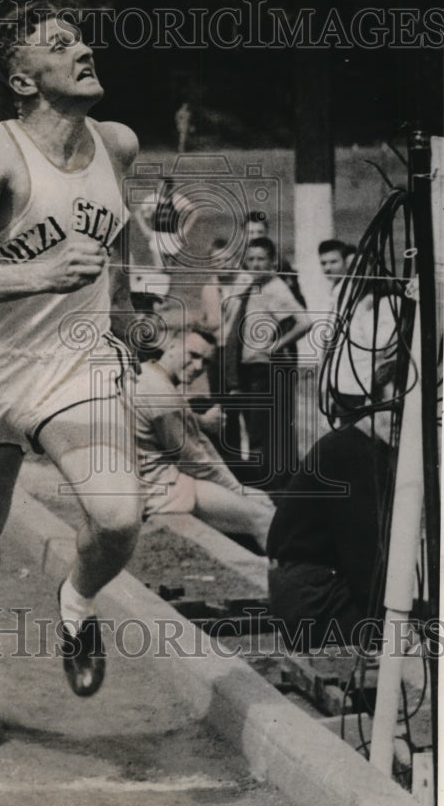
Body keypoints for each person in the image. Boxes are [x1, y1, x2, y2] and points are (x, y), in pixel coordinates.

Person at [0, 1, 142, 749]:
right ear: (24, 77)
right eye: (60, 44)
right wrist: (45, 274)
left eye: (80, 36)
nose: (83, 47)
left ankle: (76, 607)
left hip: (76, 365)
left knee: (118, 522)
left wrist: (119, 311)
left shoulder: (119, 144)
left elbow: (114, 243)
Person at [266, 361, 396, 649]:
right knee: (410, 640)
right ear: (372, 406)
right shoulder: (352, 455)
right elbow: (364, 558)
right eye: (395, 412)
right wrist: (394, 624)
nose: (403, 425)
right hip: (312, 599)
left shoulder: (357, 445)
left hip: (308, 586)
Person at [134, 327, 275, 551]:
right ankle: (278, 581)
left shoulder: (146, 374)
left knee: (254, 505)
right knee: (266, 518)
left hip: (147, 481)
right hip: (161, 490)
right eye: (193, 355)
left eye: (206, 362)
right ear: (172, 346)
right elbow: (198, 463)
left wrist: (198, 420)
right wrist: (240, 491)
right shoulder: (164, 394)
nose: (198, 367)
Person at [223, 236, 312, 490]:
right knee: (257, 428)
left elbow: (305, 322)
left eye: (261, 259)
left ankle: (267, 484)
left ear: (272, 262)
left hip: (264, 369)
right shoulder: (255, 287)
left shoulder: (275, 287)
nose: (255, 264)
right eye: (250, 259)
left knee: (263, 430)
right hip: (251, 369)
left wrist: (277, 344)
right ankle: (270, 481)